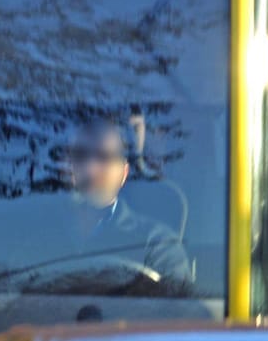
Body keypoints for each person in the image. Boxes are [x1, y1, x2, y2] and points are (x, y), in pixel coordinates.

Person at [58, 117, 191, 287]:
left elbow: (179, 309)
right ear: (64, 166)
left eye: (104, 157)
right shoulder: (36, 234)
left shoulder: (157, 244)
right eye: (80, 156)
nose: (90, 168)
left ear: (124, 173)